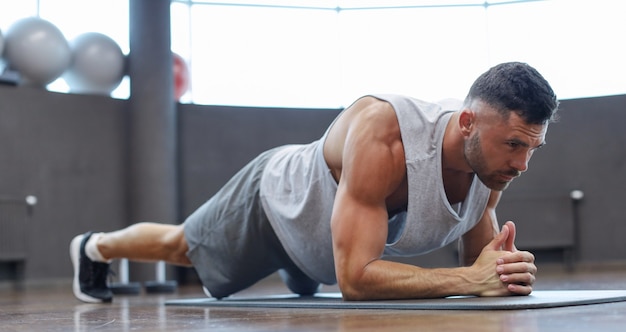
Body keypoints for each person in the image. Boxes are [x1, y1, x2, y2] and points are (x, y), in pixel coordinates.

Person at [70, 61, 559, 304]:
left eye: (532, 149)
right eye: (514, 145)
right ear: (469, 122)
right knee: (182, 247)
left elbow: (480, 266)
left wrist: (502, 274)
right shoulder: (385, 132)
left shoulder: (492, 164)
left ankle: (300, 266)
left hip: (327, 245)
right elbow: (355, 280)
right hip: (275, 206)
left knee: (311, 278)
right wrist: (467, 281)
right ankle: (95, 248)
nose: (522, 165)